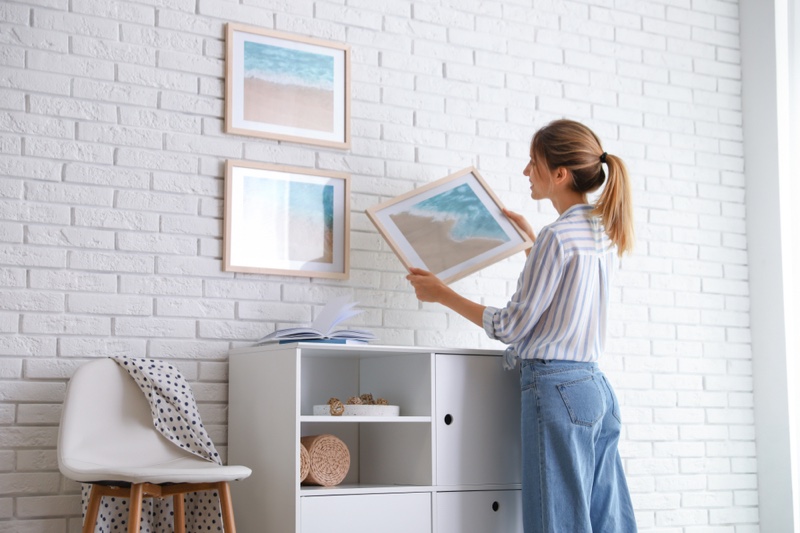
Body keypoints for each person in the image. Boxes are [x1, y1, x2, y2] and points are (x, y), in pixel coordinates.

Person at [406, 119, 638, 532]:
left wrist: (442, 293)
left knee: (557, 523)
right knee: (608, 521)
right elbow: (565, 298)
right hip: (596, 389)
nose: (526, 172)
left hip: (556, 390)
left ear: (560, 174)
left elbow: (512, 326)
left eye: (534, 163)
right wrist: (533, 246)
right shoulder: (602, 231)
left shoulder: (558, 237)